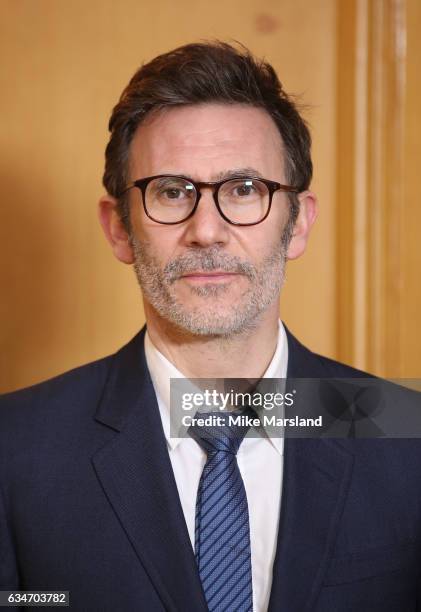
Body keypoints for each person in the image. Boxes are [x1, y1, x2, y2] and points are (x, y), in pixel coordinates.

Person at [0, 41, 420, 612]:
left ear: (297, 225)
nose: (207, 230)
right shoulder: (16, 448)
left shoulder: (407, 435)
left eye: (244, 190)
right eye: (172, 192)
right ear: (119, 229)